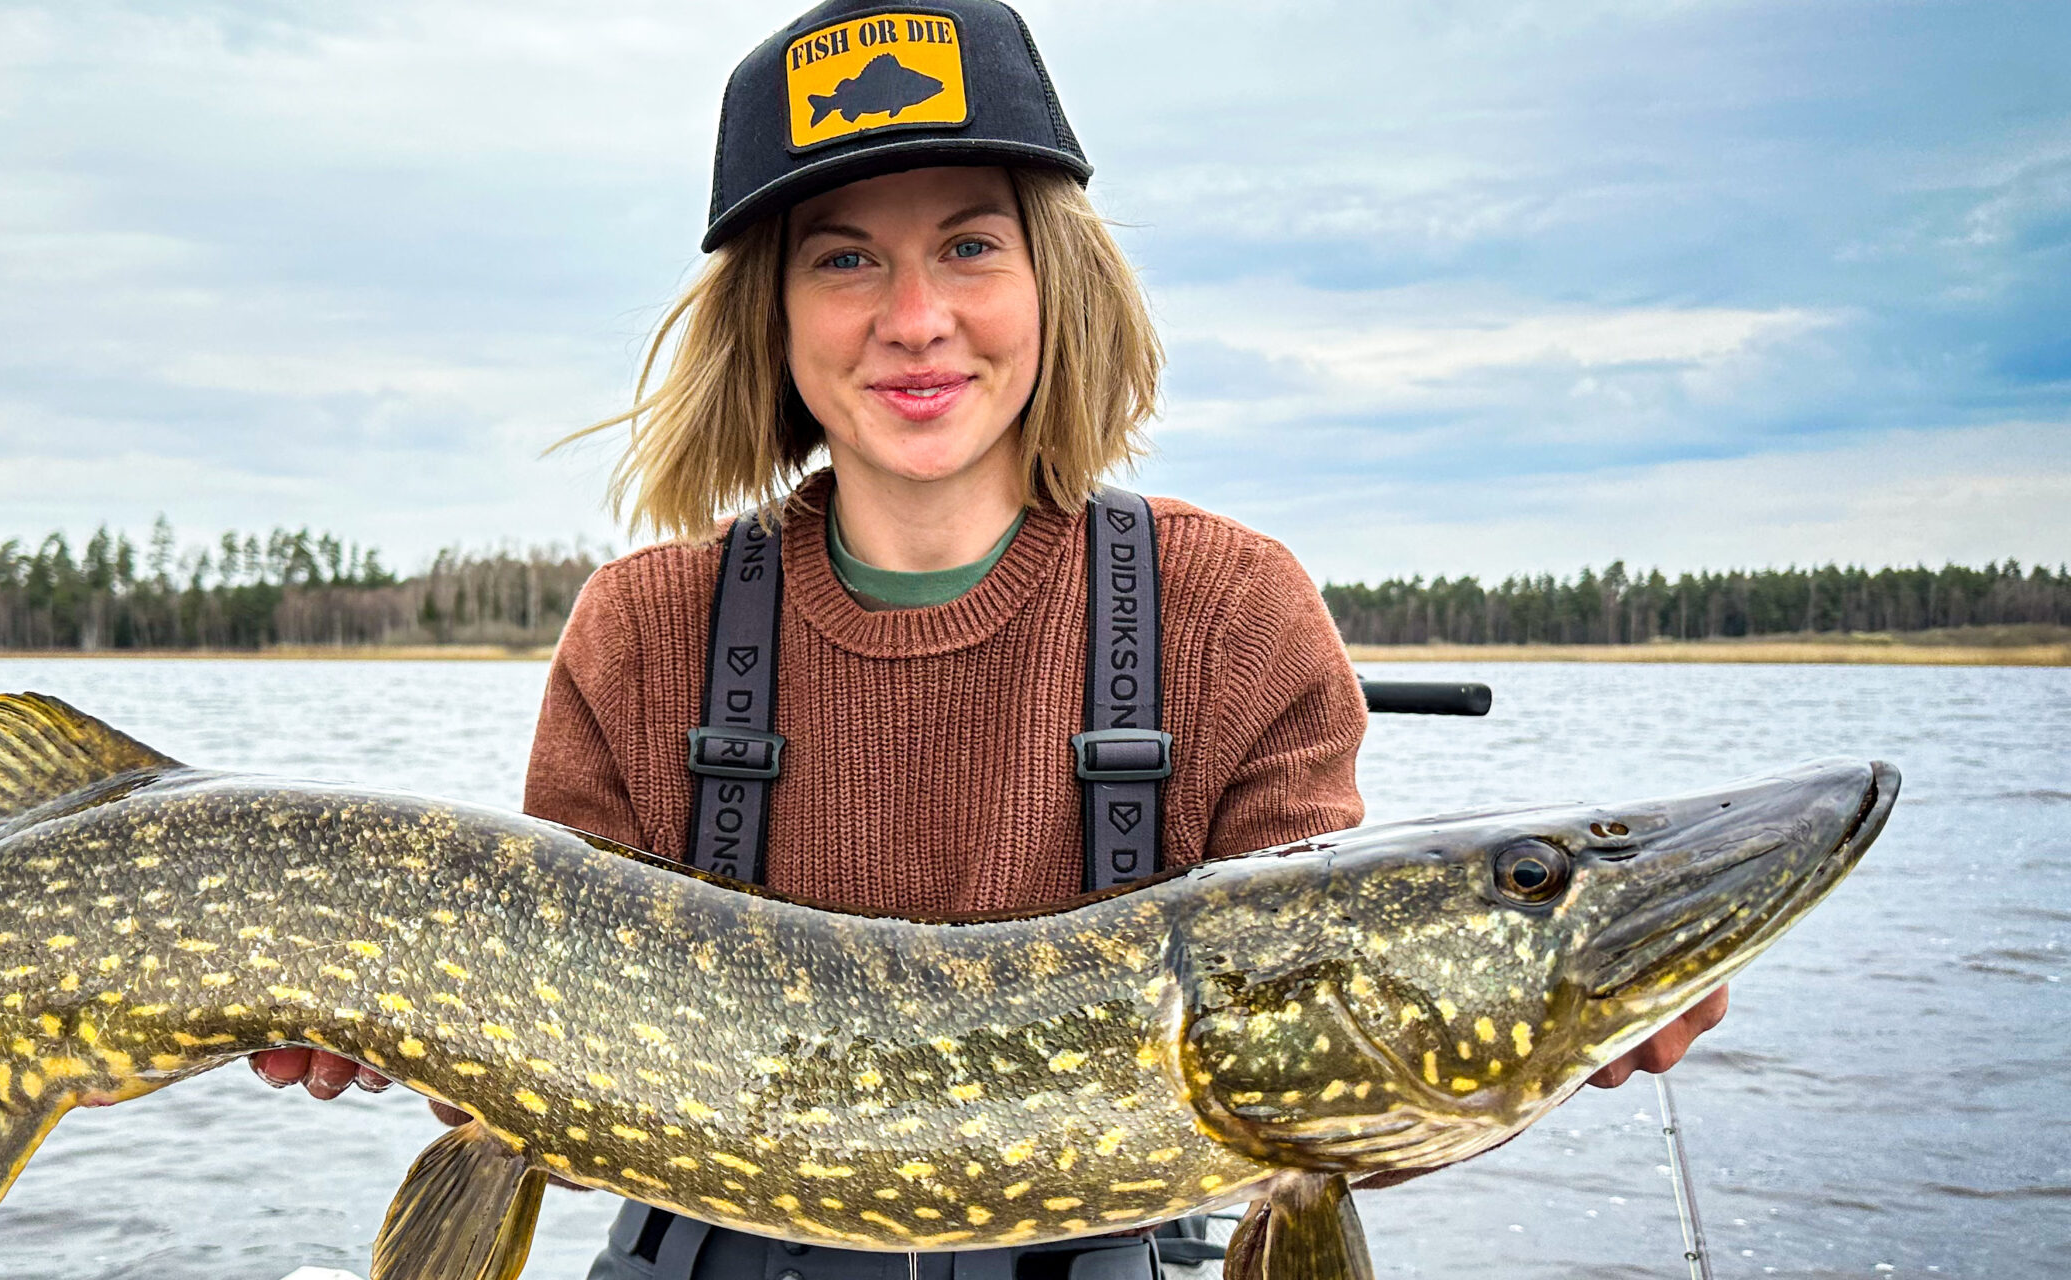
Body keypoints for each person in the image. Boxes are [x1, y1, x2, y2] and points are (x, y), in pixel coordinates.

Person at [253, 0, 1729, 1274]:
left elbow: (1304, 1092)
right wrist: (393, 1036)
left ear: (1053, 281)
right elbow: (554, 1100)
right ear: (767, 314)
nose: (914, 317)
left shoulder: (1233, 614)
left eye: (968, 244)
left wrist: (1536, 1027)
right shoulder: (647, 629)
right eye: (843, 259)